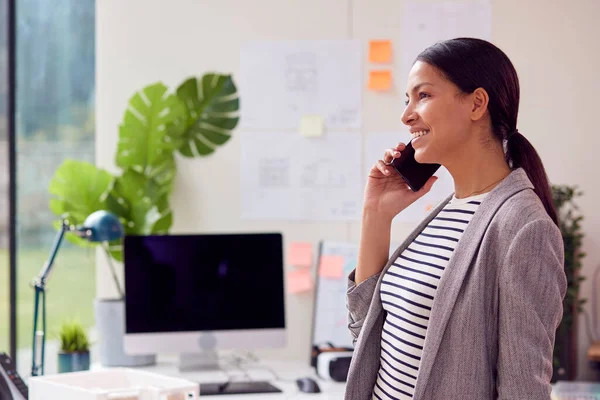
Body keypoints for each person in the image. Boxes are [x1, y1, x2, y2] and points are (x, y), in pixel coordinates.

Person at [344, 37, 567, 400]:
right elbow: (366, 333)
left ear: (477, 103)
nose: (406, 115)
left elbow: (523, 389)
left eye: (424, 96)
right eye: (407, 100)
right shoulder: (446, 213)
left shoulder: (523, 228)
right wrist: (376, 213)